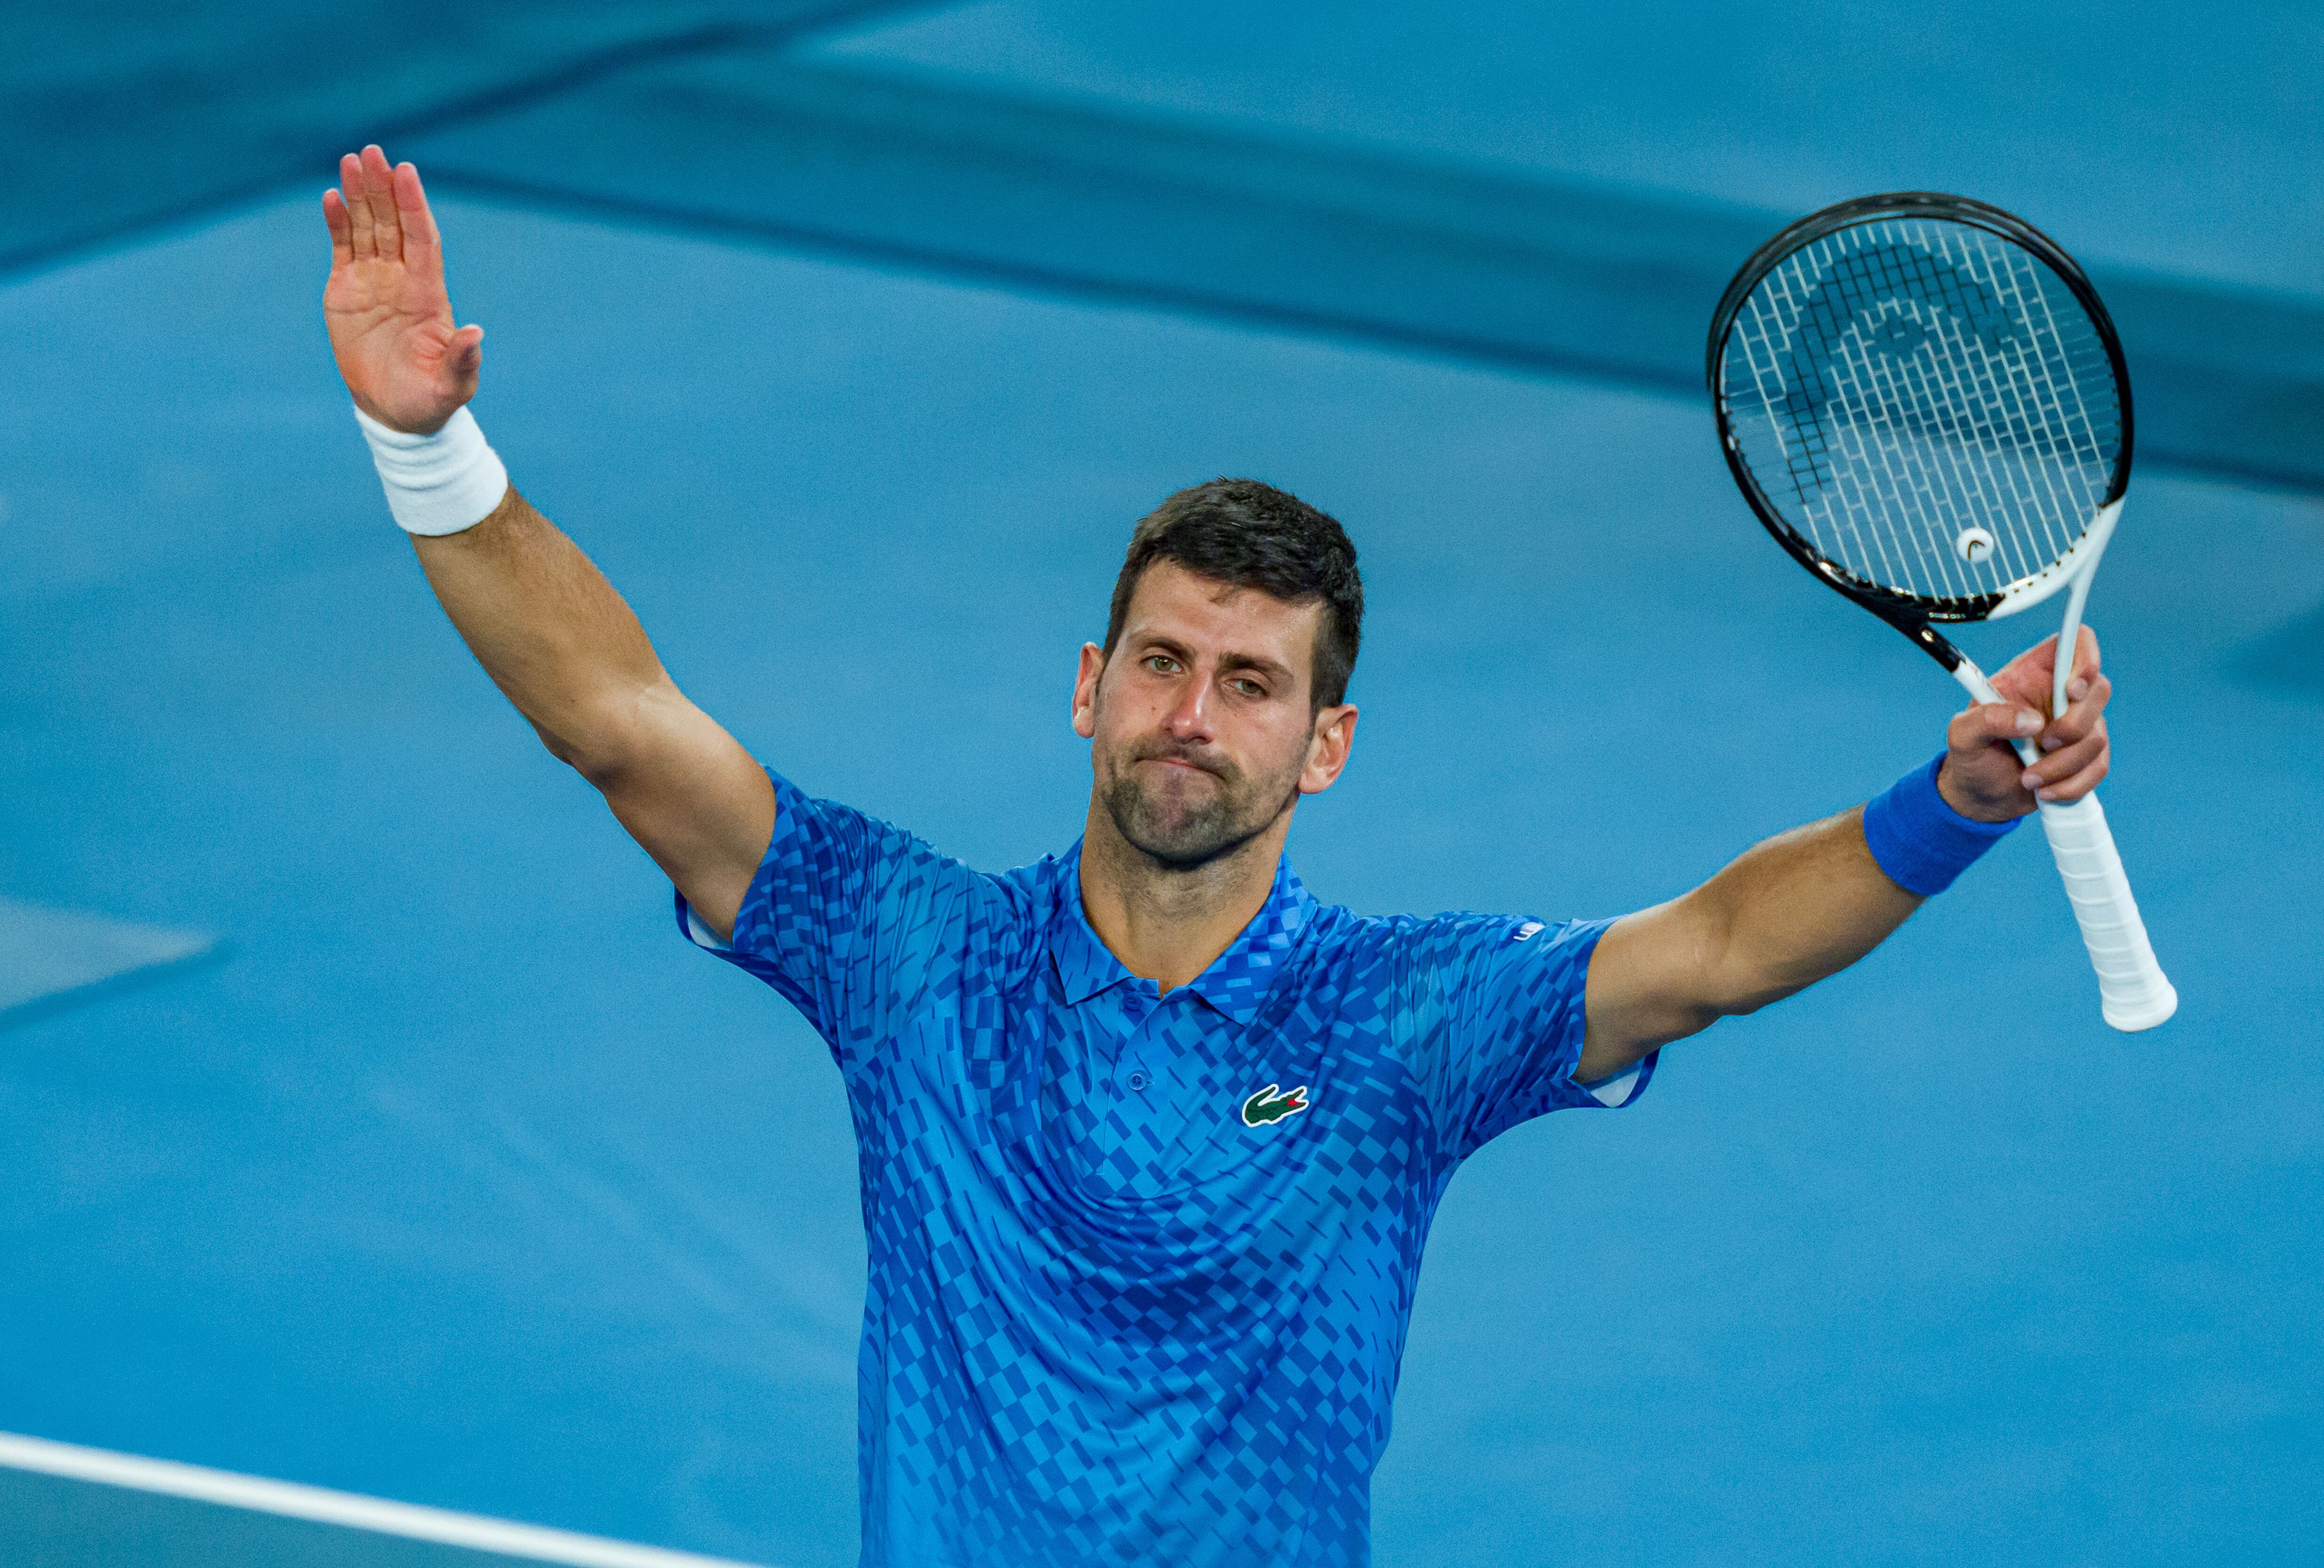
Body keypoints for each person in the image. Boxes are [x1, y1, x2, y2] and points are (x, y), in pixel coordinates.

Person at [321, 145, 2115, 1567]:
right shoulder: (909, 952)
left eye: (1251, 684)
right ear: (1091, 688)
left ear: (1323, 745)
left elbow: (1718, 951)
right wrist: (430, 447)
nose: (1194, 715)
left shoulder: (1409, 1020)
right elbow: (619, 723)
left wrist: (1951, 807)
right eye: (1165, 665)